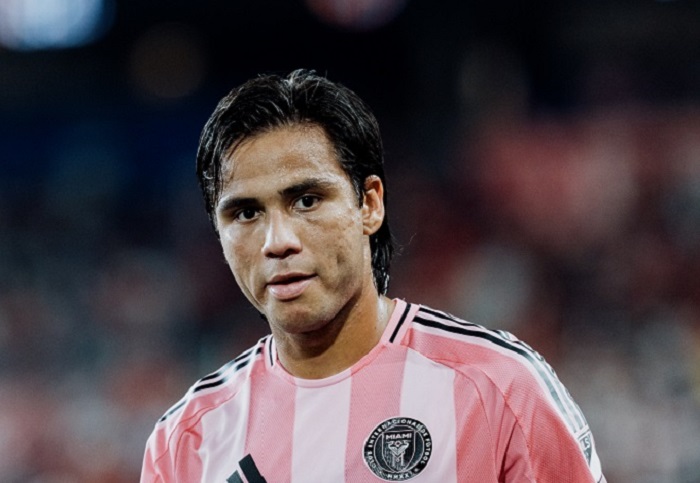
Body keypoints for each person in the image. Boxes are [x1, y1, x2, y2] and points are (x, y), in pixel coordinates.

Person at [140, 69, 605, 482]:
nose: (277, 241)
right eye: (245, 213)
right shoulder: (185, 443)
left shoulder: (500, 388)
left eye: (306, 201)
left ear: (369, 204)